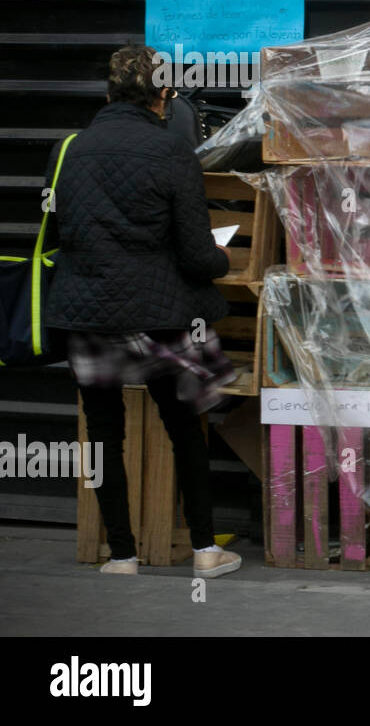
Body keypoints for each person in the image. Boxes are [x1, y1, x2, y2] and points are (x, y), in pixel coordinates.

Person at [43, 44, 242, 579]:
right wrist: (222, 259)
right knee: (184, 427)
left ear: (107, 94)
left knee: (105, 433)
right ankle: (205, 551)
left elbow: (64, 233)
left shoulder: (69, 150)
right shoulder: (173, 153)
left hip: (85, 312)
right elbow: (199, 256)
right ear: (163, 98)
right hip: (160, 315)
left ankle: (123, 556)